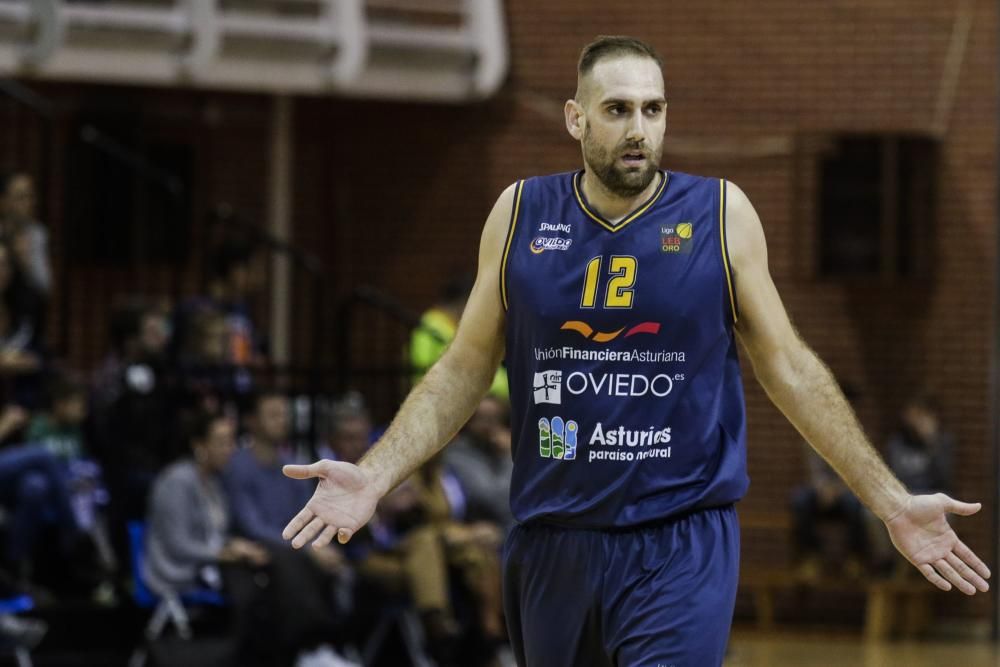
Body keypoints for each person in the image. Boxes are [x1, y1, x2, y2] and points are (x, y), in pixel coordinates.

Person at [281, 36, 990, 667]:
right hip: (553, 537)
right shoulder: (520, 213)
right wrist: (375, 476)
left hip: (680, 537)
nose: (639, 129)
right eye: (618, 109)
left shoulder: (719, 213)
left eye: (653, 110)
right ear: (575, 118)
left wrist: (887, 499)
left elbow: (791, 367)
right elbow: (465, 367)